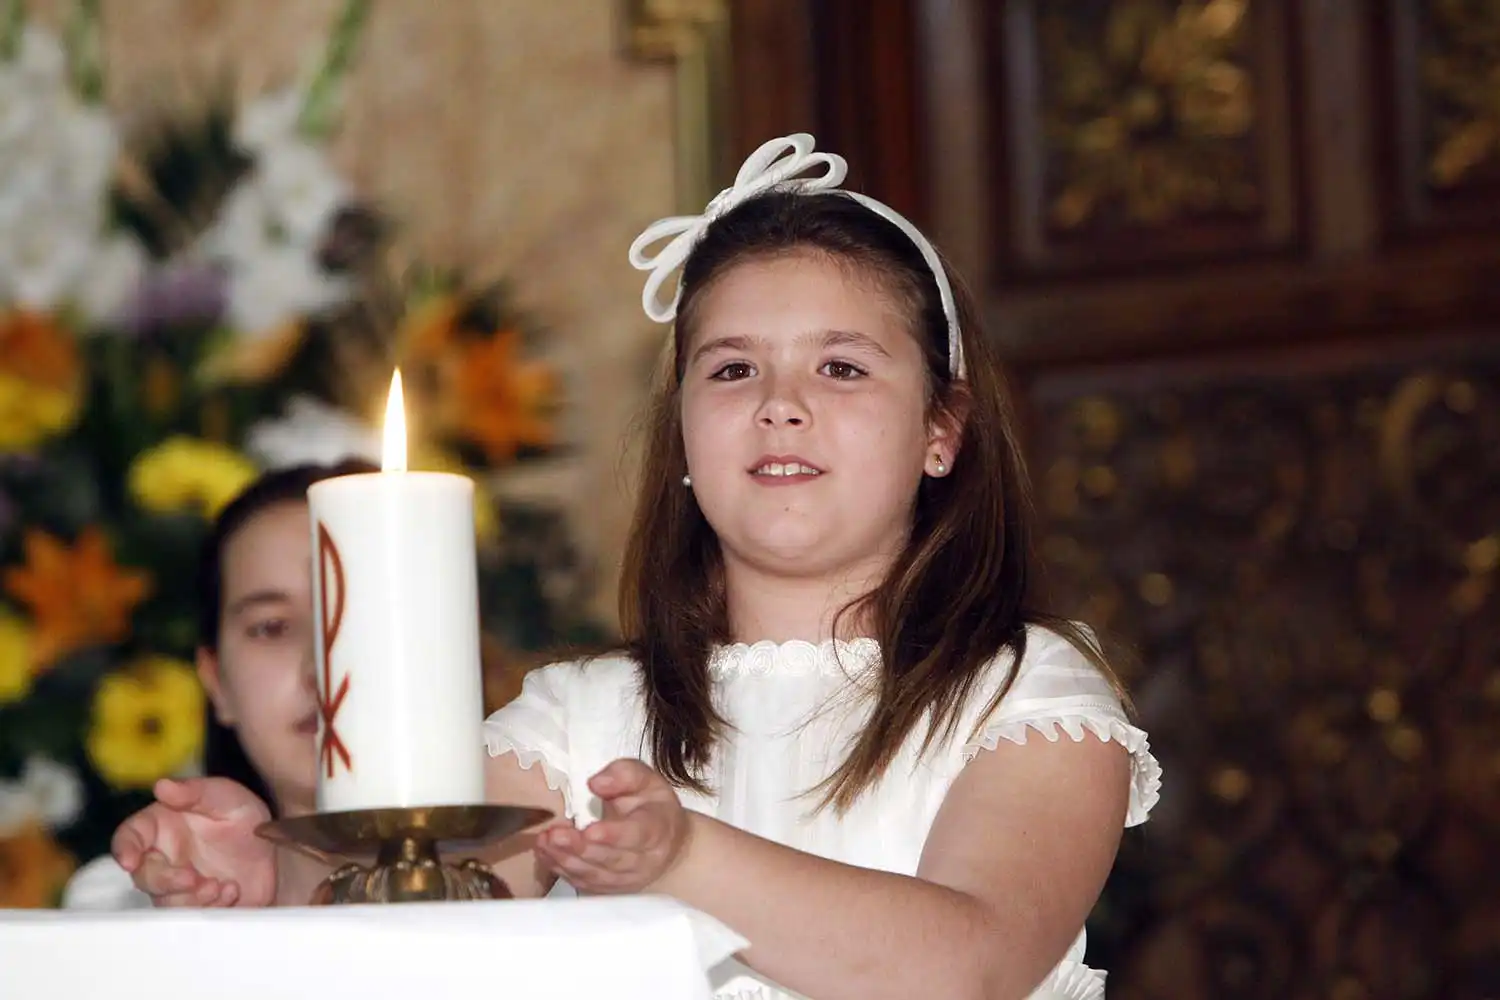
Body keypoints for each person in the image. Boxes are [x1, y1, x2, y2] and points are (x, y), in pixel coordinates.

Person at [110, 134, 1161, 1000]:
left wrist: (684, 859)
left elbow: (967, 966)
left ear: (942, 429)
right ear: (685, 436)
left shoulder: (1027, 694)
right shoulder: (578, 721)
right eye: (733, 368)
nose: (780, 404)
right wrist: (275, 882)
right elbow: (415, 936)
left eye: (841, 367)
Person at [64, 460, 379, 909]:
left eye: (359, 616)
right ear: (216, 682)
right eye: (272, 627)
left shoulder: (497, 899)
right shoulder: (125, 901)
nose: (322, 668)